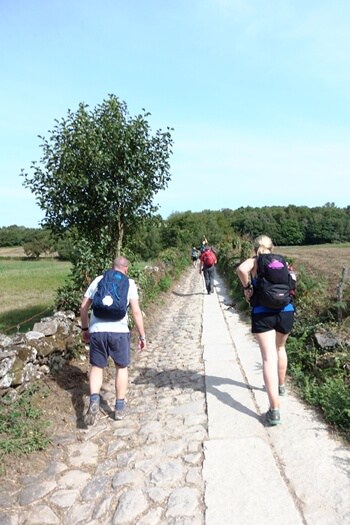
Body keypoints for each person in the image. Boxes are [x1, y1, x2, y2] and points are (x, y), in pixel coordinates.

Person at [80, 255, 146, 425]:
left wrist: (85, 329)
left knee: (96, 367)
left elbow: (83, 307)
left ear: (112, 266)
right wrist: (142, 335)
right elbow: (136, 312)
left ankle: (94, 399)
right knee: (121, 367)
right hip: (119, 331)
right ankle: (119, 407)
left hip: (98, 331)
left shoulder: (98, 280)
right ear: (126, 269)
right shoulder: (129, 283)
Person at [236, 235, 295, 426]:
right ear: (272, 247)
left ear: (255, 248)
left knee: (268, 358)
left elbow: (241, 269)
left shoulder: (255, 261)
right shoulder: (281, 261)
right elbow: (293, 280)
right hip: (286, 310)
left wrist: (247, 287)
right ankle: (282, 386)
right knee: (280, 349)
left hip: (263, 312)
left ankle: (274, 410)